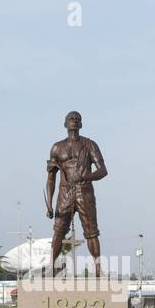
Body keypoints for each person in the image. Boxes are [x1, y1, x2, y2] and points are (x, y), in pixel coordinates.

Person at [45, 111, 107, 277]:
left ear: (81, 124)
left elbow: (103, 171)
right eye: (71, 119)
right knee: (58, 231)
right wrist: (49, 204)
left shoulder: (89, 145)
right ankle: (51, 267)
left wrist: (88, 176)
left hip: (84, 190)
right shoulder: (57, 147)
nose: (74, 121)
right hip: (65, 192)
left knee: (91, 231)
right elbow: (51, 178)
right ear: (65, 124)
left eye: (77, 119)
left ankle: (98, 269)